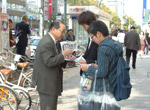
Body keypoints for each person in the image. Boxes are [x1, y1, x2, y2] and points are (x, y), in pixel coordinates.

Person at [31, 20, 73, 110]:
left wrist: (63, 56)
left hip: (49, 83)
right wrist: (63, 55)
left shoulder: (50, 40)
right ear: (53, 29)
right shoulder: (47, 42)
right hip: (47, 84)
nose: (63, 34)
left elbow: (52, 58)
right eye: (62, 31)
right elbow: (49, 61)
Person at [80, 20, 122, 100]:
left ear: (99, 34)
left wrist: (88, 68)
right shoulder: (116, 44)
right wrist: (97, 65)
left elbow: (102, 73)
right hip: (115, 84)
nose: (92, 40)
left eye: (92, 37)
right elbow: (110, 64)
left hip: (103, 88)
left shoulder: (103, 48)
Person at [78, 11, 98, 76]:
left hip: (93, 72)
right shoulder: (90, 37)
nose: (84, 28)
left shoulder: (97, 38)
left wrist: (87, 62)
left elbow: (100, 59)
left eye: (84, 26)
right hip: (87, 72)